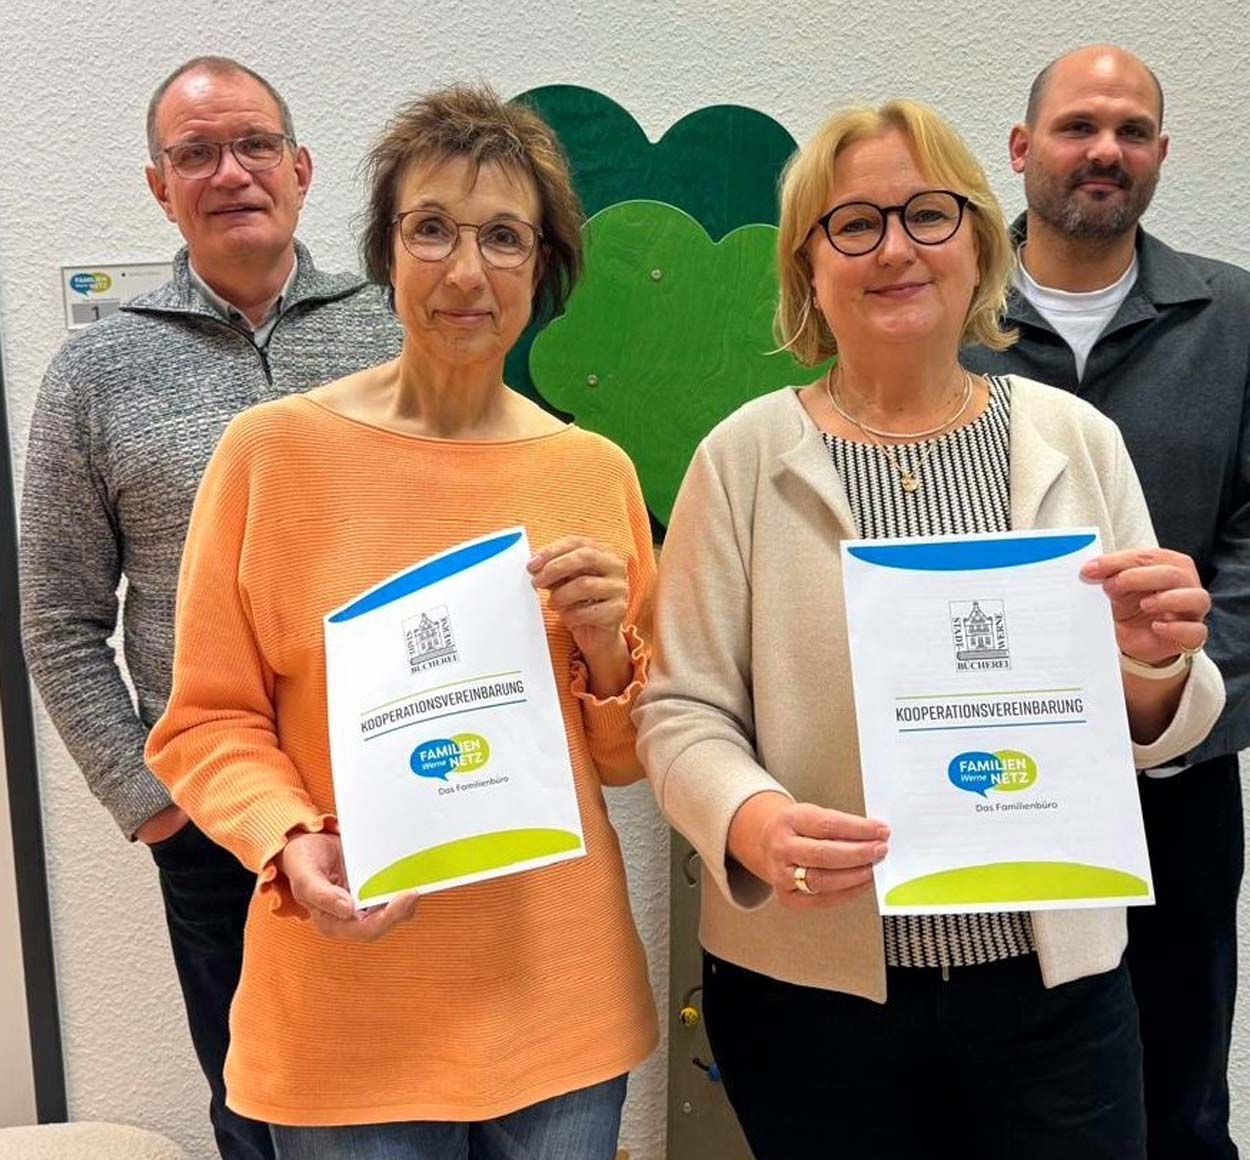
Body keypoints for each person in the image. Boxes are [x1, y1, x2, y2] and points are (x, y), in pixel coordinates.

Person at [634, 98, 1225, 1160]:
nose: (894, 247)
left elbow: (1149, 716)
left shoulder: (1072, 439)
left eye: (928, 213)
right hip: (811, 992)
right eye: (852, 223)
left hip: (1052, 986)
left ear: (977, 241)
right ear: (806, 269)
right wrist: (749, 816)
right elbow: (680, 708)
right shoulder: (740, 458)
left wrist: (1152, 655)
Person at [144, 84, 659, 1158]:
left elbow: (617, 759)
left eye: (504, 238)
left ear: (542, 268)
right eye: (431, 228)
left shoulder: (590, 471)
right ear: (385, 248)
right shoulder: (271, 453)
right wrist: (289, 842)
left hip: (557, 1000)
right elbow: (205, 720)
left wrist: (609, 648)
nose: (465, 272)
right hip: (346, 1000)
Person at [19, 55, 400, 1160]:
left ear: (300, 166)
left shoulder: (395, 331)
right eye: (196, 153)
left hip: (404, 784)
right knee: (262, 1103)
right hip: (217, 825)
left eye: (253, 146)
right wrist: (154, 803)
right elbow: (58, 619)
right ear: (159, 186)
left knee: (418, 1087)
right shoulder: (97, 370)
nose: (229, 172)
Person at [963, 45, 1250, 1160]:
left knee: (1175, 1099)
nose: (1104, 150)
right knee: (998, 1091)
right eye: (1078, 125)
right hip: (978, 778)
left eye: (1130, 132)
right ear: (1022, 149)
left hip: (1171, 785)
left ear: (1161, 157)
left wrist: (1162, 692)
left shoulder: (1231, 316)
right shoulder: (944, 313)